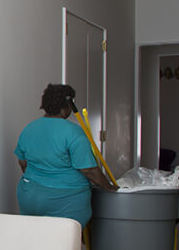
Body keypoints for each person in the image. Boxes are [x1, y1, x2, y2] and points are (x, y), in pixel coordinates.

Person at [15, 83, 117, 228]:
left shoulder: (29, 129)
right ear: (68, 105)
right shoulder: (73, 132)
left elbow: (23, 162)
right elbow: (89, 170)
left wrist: (40, 181)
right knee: (63, 243)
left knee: (36, 239)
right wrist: (110, 188)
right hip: (65, 201)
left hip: (29, 197)